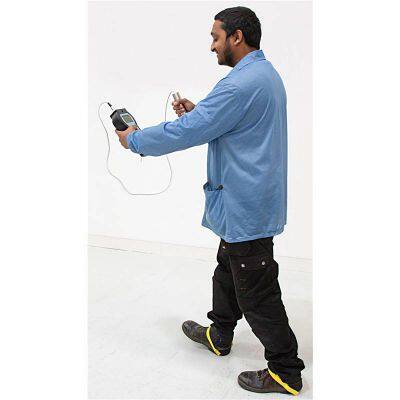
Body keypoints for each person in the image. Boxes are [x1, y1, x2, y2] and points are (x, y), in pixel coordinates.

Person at [115, 6, 305, 396]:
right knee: (227, 271)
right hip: (247, 202)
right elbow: (230, 121)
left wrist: (135, 139)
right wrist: (201, 111)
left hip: (246, 206)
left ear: (237, 37)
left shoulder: (239, 84)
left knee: (257, 292)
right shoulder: (263, 75)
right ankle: (220, 333)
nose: (212, 46)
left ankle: (286, 370)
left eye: (216, 37)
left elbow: (188, 131)